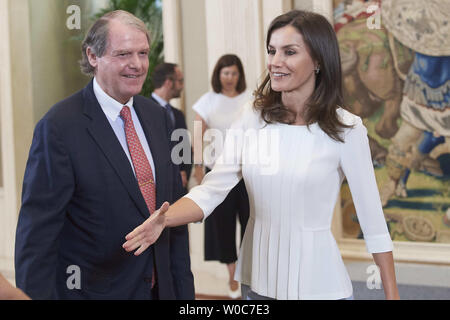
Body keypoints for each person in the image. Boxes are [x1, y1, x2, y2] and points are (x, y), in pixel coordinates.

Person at [122, 10, 400, 300]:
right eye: (272, 50)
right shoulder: (253, 117)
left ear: (318, 60)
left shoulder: (347, 128)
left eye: (289, 52)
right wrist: (163, 220)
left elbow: (373, 221)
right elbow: (213, 189)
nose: (275, 62)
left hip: (320, 286)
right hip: (256, 286)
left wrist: (392, 295)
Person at [15, 10, 194, 300]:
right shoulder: (59, 127)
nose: (137, 65)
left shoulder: (159, 118)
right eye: (123, 54)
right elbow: (37, 238)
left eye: (143, 53)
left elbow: (171, 215)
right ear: (93, 56)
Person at [192, 54, 251, 298]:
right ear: (218, 75)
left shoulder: (251, 100)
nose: (229, 78)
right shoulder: (207, 101)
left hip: (248, 172)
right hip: (218, 171)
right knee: (224, 225)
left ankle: (249, 273)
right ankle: (232, 274)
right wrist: (197, 166)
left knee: (251, 222)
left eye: (234, 73)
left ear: (240, 75)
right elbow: (197, 135)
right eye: (225, 73)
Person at [150, 63, 192, 195]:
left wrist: (184, 172)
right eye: (180, 81)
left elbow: (185, 150)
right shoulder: (143, 111)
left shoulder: (178, 114)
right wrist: (174, 174)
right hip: (157, 188)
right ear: (168, 82)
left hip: (180, 190)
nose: (182, 86)